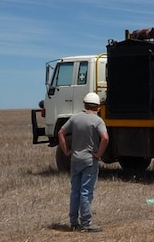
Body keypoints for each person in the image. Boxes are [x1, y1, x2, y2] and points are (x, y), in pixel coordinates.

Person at [58, 92, 109, 232]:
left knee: (75, 190)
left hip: (75, 159)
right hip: (89, 160)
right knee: (86, 191)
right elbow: (105, 138)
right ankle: (86, 223)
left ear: (84, 105)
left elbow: (61, 133)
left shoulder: (75, 118)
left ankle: (73, 222)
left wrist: (66, 151)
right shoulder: (98, 121)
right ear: (98, 107)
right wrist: (99, 154)